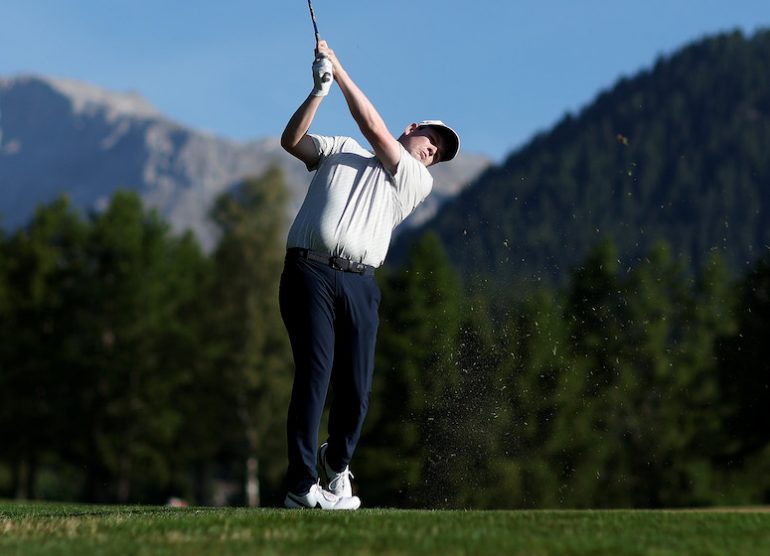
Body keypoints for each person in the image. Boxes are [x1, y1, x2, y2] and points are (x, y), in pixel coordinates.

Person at [279, 39, 460, 510]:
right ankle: (301, 486)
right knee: (314, 375)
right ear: (412, 130)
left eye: (437, 153)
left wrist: (338, 71)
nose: (431, 153)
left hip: (360, 282)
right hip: (308, 271)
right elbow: (291, 142)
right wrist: (317, 92)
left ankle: (335, 464)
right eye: (431, 141)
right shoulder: (339, 149)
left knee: (356, 388)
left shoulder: (414, 180)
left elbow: (373, 127)